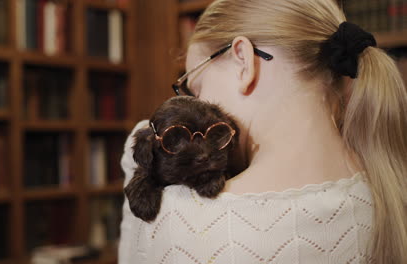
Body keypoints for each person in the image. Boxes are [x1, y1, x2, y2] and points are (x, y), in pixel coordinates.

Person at [118, 0, 407, 263]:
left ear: (243, 60)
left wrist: (136, 168)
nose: (197, 103)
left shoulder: (188, 220)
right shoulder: (386, 188)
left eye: (197, 89)